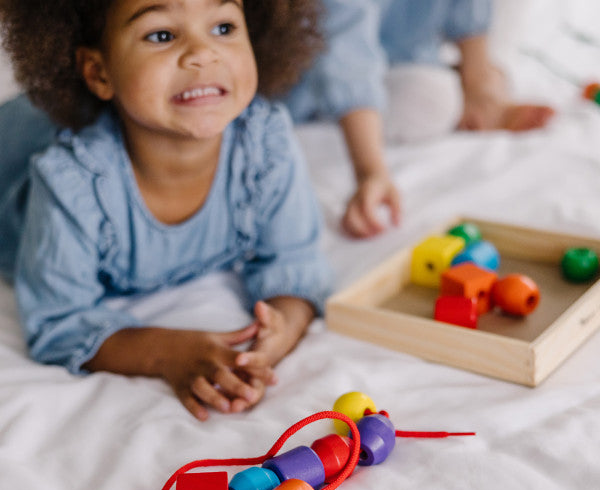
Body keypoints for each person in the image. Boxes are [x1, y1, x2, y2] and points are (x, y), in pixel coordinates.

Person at [0, 0, 331, 421]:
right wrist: (169, 352)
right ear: (99, 72)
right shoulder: (72, 183)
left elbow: (295, 262)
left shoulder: (265, 145)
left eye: (224, 27)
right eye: (161, 35)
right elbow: (59, 321)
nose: (202, 53)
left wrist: (280, 331)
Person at [283, 0, 555, 239]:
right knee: (433, 99)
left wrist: (479, 78)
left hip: (406, 55)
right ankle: (352, 115)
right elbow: (346, 51)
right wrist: (371, 171)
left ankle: (480, 86)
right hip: (322, 74)